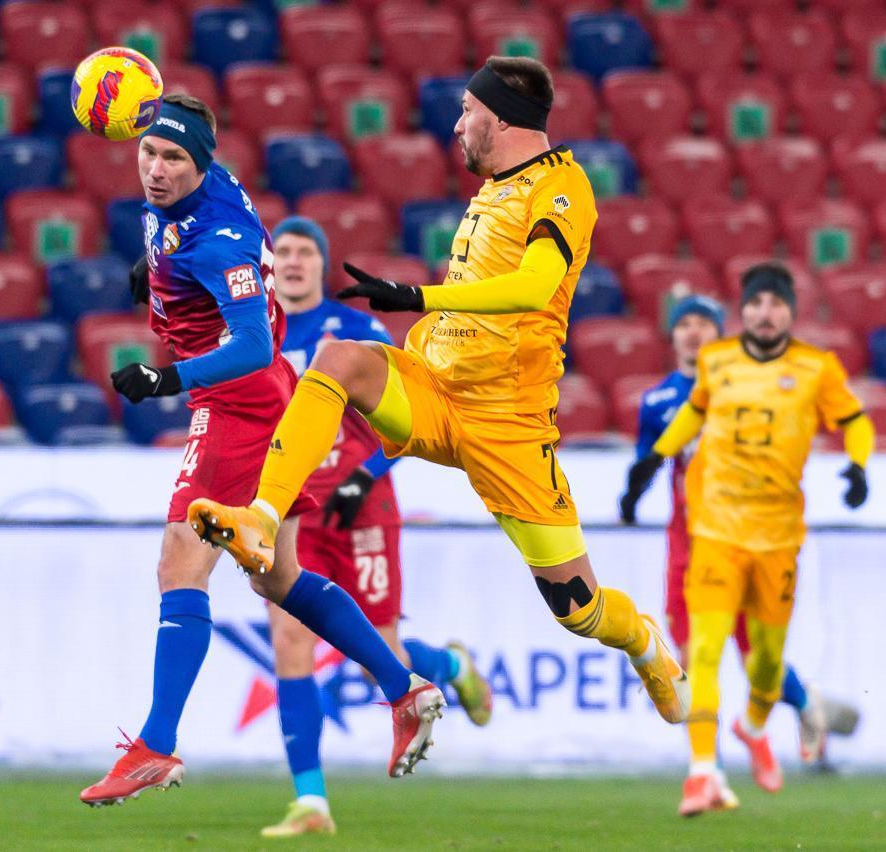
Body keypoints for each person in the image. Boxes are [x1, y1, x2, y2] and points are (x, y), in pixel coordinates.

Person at [186, 57, 690, 730]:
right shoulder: (491, 191)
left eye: (467, 111)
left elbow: (537, 286)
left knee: (577, 607)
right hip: (434, 389)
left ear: (501, 119)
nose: (457, 126)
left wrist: (418, 296)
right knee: (338, 360)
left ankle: (643, 642)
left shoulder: (562, 185)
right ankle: (263, 518)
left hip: (507, 423)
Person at [79, 94, 446, 808]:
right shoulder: (191, 193)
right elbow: (180, 225)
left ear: (200, 166)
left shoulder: (219, 241)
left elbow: (250, 343)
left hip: (237, 403)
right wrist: (154, 268)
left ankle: (156, 744)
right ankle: (404, 688)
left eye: (173, 158)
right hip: (267, 396)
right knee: (279, 579)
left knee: (180, 563)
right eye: (148, 152)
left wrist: (165, 378)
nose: (156, 170)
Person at [260, 216, 493, 837]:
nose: (293, 261)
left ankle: (450, 666)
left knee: (378, 658)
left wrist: (365, 475)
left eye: (305, 251)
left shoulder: (356, 331)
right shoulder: (256, 333)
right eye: (283, 251)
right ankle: (310, 802)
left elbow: (410, 417)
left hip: (362, 509)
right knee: (289, 641)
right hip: (294, 509)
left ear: (321, 263)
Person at [620, 264, 874, 816]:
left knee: (759, 657)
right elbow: (653, 455)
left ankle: (789, 709)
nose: (693, 333)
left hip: (769, 533)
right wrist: (637, 484)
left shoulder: (780, 372)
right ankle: (706, 770)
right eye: (683, 324)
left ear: (720, 330)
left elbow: (850, 419)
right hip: (698, 538)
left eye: (702, 323)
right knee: (696, 653)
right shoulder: (660, 400)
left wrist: (857, 466)